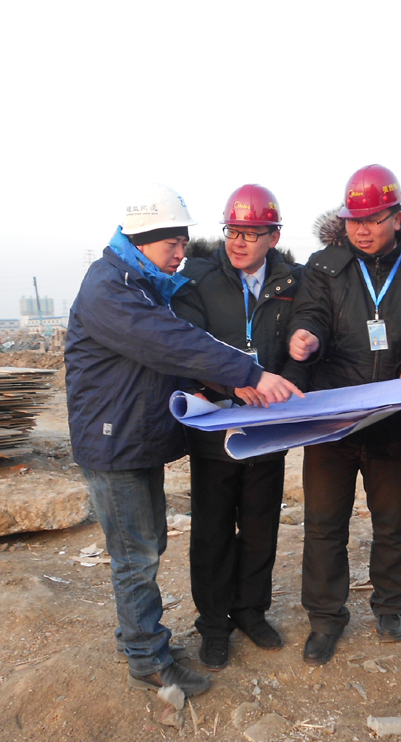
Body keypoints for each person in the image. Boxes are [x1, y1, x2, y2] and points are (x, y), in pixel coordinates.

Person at [65, 184, 303, 699]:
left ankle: (136, 637)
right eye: (172, 243)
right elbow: (171, 341)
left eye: (183, 242)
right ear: (143, 239)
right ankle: (148, 660)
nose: (181, 253)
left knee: (146, 545)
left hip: (133, 438)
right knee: (137, 554)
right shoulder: (111, 287)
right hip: (113, 442)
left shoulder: (140, 281)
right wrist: (248, 374)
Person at [288, 165, 401, 664]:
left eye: (373, 219)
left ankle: (391, 605)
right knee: (323, 523)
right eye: (354, 220)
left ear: (396, 217)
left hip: (392, 418)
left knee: (393, 520)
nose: (362, 229)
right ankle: (324, 618)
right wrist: (306, 336)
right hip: (332, 418)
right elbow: (310, 313)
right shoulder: (325, 265)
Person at [171, 184, 308, 671]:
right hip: (215, 427)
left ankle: (251, 611)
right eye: (233, 231)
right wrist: (233, 381)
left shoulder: (292, 282)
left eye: (251, 233)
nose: (239, 242)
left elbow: (305, 339)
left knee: (259, 525)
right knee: (211, 529)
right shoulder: (199, 279)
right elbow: (187, 344)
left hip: (268, 428)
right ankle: (213, 624)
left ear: (273, 237)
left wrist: (287, 383)